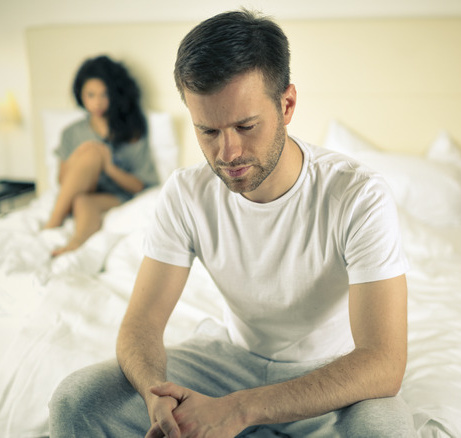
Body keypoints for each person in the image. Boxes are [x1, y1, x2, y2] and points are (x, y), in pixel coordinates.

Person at [49, 9, 416, 437]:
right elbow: (142, 324)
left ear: (287, 104)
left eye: (245, 126)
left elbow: (383, 362)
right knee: (76, 402)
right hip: (229, 363)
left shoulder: (357, 195)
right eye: (208, 131)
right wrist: (156, 395)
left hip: (330, 378)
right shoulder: (186, 194)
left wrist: (240, 410)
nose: (228, 152)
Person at [44, 55, 159, 257]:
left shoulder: (133, 129)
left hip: (115, 196)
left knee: (83, 199)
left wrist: (108, 167)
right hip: (78, 191)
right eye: (91, 95)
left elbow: (139, 186)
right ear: (81, 96)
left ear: (115, 95)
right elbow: (63, 182)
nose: (97, 102)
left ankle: (70, 239)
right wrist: (80, 158)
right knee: (90, 157)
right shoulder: (71, 132)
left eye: (104, 95)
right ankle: (59, 229)